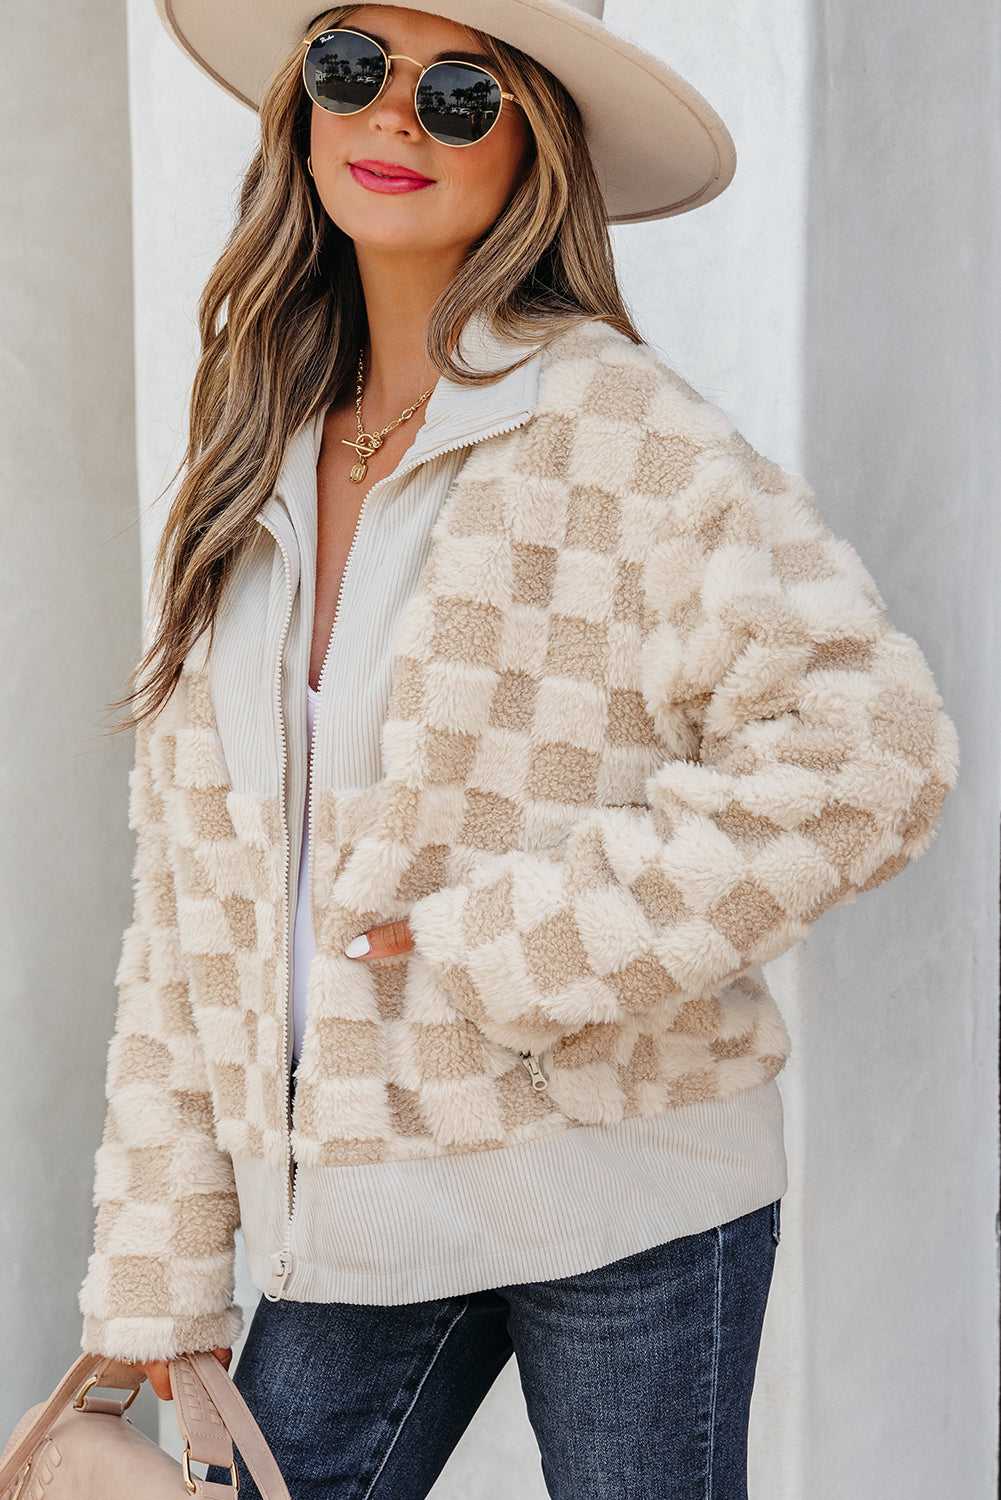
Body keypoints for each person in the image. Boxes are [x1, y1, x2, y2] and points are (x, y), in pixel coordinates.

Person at [76, 3, 959, 1495]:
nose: (396, 117)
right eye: (353, 67)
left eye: (463, 92)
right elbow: (193, 899)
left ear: (533, 146)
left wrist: (510, 947)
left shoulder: (622, 431)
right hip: (342, 1209)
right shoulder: (251, 449)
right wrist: (157, 1262)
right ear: (303, 103)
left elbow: (867, 753)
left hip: (628, 1190)